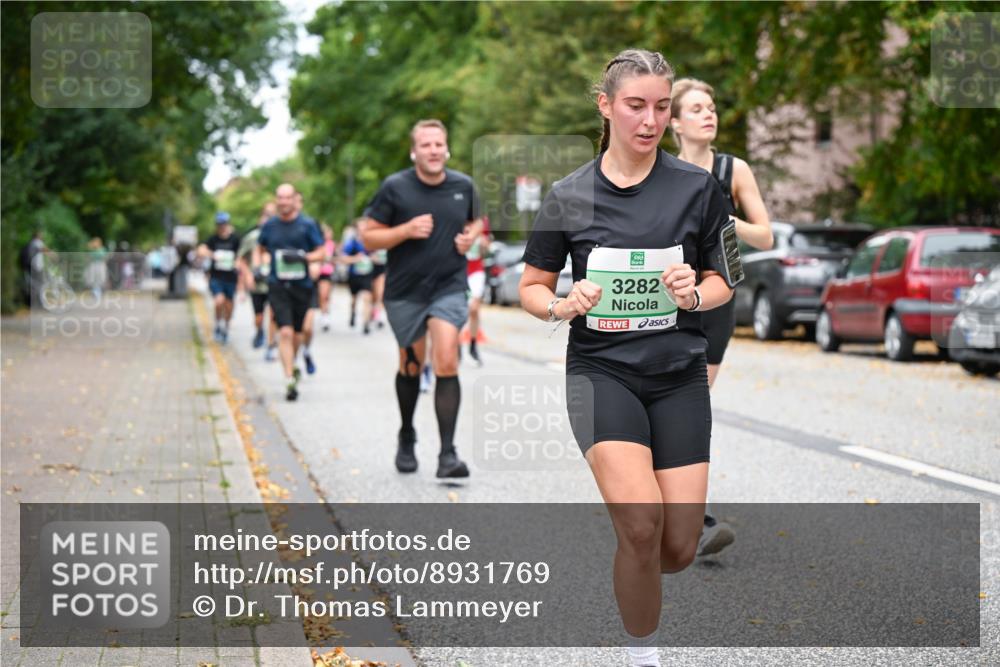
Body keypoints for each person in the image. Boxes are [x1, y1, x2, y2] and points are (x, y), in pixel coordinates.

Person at [518, 50, 737, 667]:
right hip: (602, 372)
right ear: (606, 105)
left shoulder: (700, 188)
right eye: (636, 105)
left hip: (678, 377)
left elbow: (728, 279)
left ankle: (641, 559)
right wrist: (564, 304)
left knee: (678, 548)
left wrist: (694, 292)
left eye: (661, 107)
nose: (650, 120)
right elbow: (530, 287)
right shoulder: (568, 195)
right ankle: (643, 655)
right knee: (641, 530)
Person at [672, 78, 773, 557]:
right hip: (668, 299)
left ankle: (689, 514)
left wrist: (723, 221)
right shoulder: (663, 170)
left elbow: (767, 236)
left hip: (719, 296)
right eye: (696, 109)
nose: (708, 115)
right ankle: (692, 514)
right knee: (676, 402)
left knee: (691, 402)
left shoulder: (734, 169)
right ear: (674, 123)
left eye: (711, 107)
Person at [360, 119, 483, 478]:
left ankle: (447, 454)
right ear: (414, 151)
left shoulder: (464, 185)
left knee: (446, 359)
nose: (433, 150)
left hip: (447, 287)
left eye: (438, 144)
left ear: (447, 149)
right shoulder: (395, 187)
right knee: (410, 366)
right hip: (405, 292)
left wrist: (468, 238)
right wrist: (405, 230)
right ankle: (407, 434)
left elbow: (477, 221)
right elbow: (369, 237)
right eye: (425, 145)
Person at [254, 184, 325, 401]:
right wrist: (259, 266)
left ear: (294, 199)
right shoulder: (270, 226)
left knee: (298, 333)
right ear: (276, 200)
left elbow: (321, 251)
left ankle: (292, 362)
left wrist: (304, 258)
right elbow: (260, 247)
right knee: (284, 332)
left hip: (302, 285)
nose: (284, 202)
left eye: (288, 197)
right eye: (280, 198)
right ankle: (289, 380)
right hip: (277, 285)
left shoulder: (307, 224)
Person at [238, 202, 277, 351]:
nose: (269, 218)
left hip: (274, 283)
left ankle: (271, 344)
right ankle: (260, 331)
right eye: (267, 214)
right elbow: (241, 259)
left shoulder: (279, 235)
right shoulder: (252, 237)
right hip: (258, 284)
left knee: (274, 316)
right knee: (259, 317)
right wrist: (247, 275)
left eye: (272, 214)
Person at [198, 212, 241, 343]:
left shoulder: (235, 239)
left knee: (229, 305)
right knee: (219, 301)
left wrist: (237, 263)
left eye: (224, 224)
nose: (222, 226)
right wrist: (213, 254)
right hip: (216, 277)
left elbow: (242, 255)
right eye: (219, 224)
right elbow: (201, 250)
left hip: (231, 278)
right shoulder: (213, 239)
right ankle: (218, 324)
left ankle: (226, 326)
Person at [464, 215, 492, 365]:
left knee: (474, 309)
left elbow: (488, 247)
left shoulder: (482, 221)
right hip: (458, 271)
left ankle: (473, 344)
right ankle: (454, 345)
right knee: (457, 309)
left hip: (476, 270)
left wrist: (483, 242)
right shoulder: (455, 215)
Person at [342, 221, 376, 335]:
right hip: (354, 275)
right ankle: (353, 312)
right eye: (361, 227)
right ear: (357, 229)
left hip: (367, 274)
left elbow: (379, 257)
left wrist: (372, 259)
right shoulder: (352, 243)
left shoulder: (371, 242)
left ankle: (365, 323)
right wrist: (355, 259)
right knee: (354, 299)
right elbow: (343, 258)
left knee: (367, 298)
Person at [317, 224, 337, 332]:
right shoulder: (318, 244)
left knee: (327, 296)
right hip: (319, 273)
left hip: (328, 273)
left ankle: (325, 313)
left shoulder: (332, 244)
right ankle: (324, 314)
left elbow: (336, 257)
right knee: (322, 295)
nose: (328, 235)